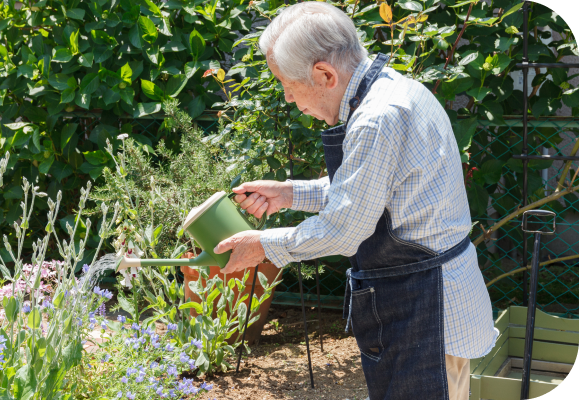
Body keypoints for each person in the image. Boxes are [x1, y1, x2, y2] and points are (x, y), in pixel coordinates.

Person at [212, 2, 497, 400]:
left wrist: (262, 246)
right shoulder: (397, 90)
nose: (290, 99)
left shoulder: (377, 117)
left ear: (324, 74)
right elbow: (369, 192)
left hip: (427, 312)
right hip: (426, 302)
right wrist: (289, 193)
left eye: (287, 85)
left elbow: (344, 229)